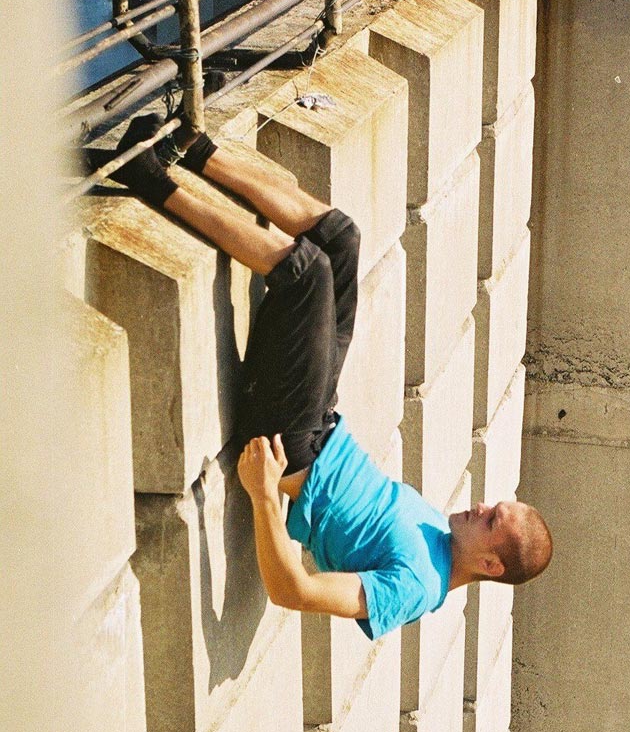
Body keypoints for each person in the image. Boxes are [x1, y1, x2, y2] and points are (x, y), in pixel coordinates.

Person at [90, 114, 553, 639]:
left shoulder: (417, 588)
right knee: (341, 240)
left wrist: (264, 494)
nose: (481, 505)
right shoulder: (435, 531)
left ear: (491, 565)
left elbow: (295, 593)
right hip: (319, 419)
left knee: (306, 273)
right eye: (495, 505)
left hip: (288, 442)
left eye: (491, 519)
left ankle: (147, 177)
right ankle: (197, 151)